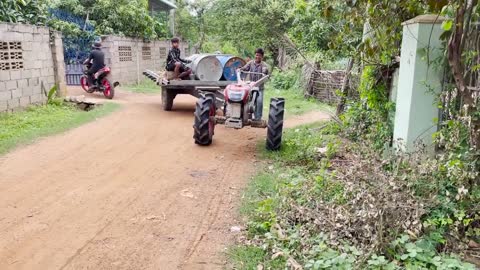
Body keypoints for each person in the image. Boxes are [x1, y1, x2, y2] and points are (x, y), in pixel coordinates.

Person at [239, 48, 269, 120]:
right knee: (246, 100)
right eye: (256, 55)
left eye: (259, 55)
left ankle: (258, 118)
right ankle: (246, 116)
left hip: (259, 87)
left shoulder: (264, 65)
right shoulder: (251, 63)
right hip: (250, 86)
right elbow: (245, 68)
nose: (257, 57)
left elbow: (265, 71)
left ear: (262, 57)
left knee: (259, 102)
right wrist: (239, 69)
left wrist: (265, 72)